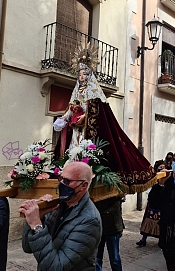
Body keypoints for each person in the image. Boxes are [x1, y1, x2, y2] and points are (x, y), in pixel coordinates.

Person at [54, 44, 157, 193]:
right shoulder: (76, 90)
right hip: (76, 128)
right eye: (80, 74)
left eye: (84, 74)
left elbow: (96, 110)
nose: (81, 76)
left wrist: (85, 116)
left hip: (86, 128)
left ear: (89, 75)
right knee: (73, 149)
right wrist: (63, 118)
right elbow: (71, 107)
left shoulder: (95, 91)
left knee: (83, 148)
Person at [21, 161, 102, 271]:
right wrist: (39, 217)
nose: (62, 184)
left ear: (84, 185)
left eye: (67, 181)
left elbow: (56, 268)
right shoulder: (57, 206)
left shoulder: (89, 221)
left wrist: (36, 225)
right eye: (61, 178)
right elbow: (28, 247)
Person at [136, 160, 164, 247]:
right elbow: (149, 189)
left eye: (163, 167)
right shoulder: (153, 177)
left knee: (160, 222)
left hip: (161, 203)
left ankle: (161, 240)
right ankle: (143, 239)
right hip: (152, 202)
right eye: (160, 167)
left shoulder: (166, 178)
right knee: (147, 221)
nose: (162, 169)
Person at [95, 196, 124, 271]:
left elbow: (120, 198)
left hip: (112, 227)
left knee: (114, 258)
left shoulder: (114, 189)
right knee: (96, 258)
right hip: (97, 227)